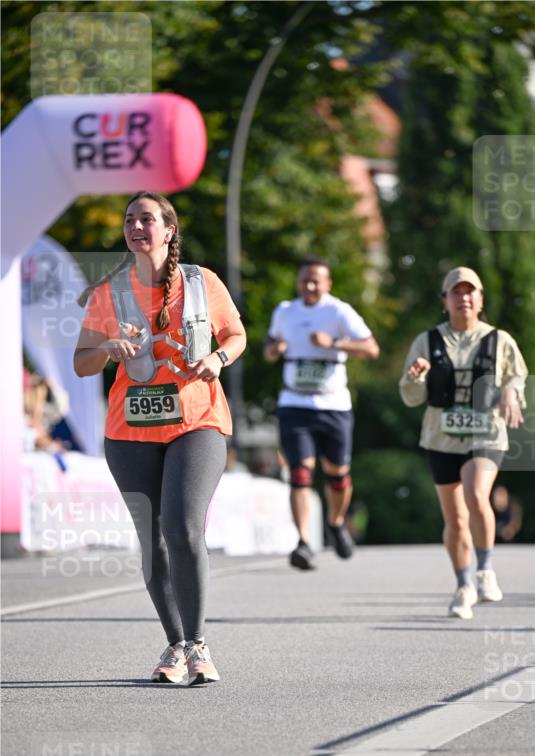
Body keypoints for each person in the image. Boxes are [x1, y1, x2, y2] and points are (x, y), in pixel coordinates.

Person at [73, 192, 246, 685]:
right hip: (129, 431)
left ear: (169, 230)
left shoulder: (201, 282)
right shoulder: (109, 293)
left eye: (147, 218)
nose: (136, 226)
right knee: (153, 539)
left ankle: (198, 644)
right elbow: (81, 363)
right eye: (130, 220)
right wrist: (106, 347)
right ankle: (175, 645)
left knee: (183, 525)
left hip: (198, 420)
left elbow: (236, 335)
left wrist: (217, 359)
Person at [399, 266, 527, 619]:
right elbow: (410, 396)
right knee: (455, 519)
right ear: (445, 301)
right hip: (441, 437)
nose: (464, 297)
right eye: (456, 292)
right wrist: (415, 378)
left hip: (486, 433)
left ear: (481, 299)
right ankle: (463, 585)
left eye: (470, 291)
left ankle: (485, 569)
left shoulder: (499, 339)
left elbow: (517, 375)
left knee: (475, 495)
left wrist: (513, 393)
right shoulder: (427, 342)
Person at [264, 258, 380, 570]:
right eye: (305, 280)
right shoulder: (285, 311)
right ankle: (303, 542)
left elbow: (371, 348)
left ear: (328, 284)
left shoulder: (338, 311)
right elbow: (270, 348)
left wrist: (335, 343)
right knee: (300, 473)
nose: (311, 286)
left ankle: (336, 521)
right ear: (298, 282)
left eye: (317, 281)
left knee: (338, 475)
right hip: (294, 403)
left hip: (333, 405)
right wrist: (275, 350)